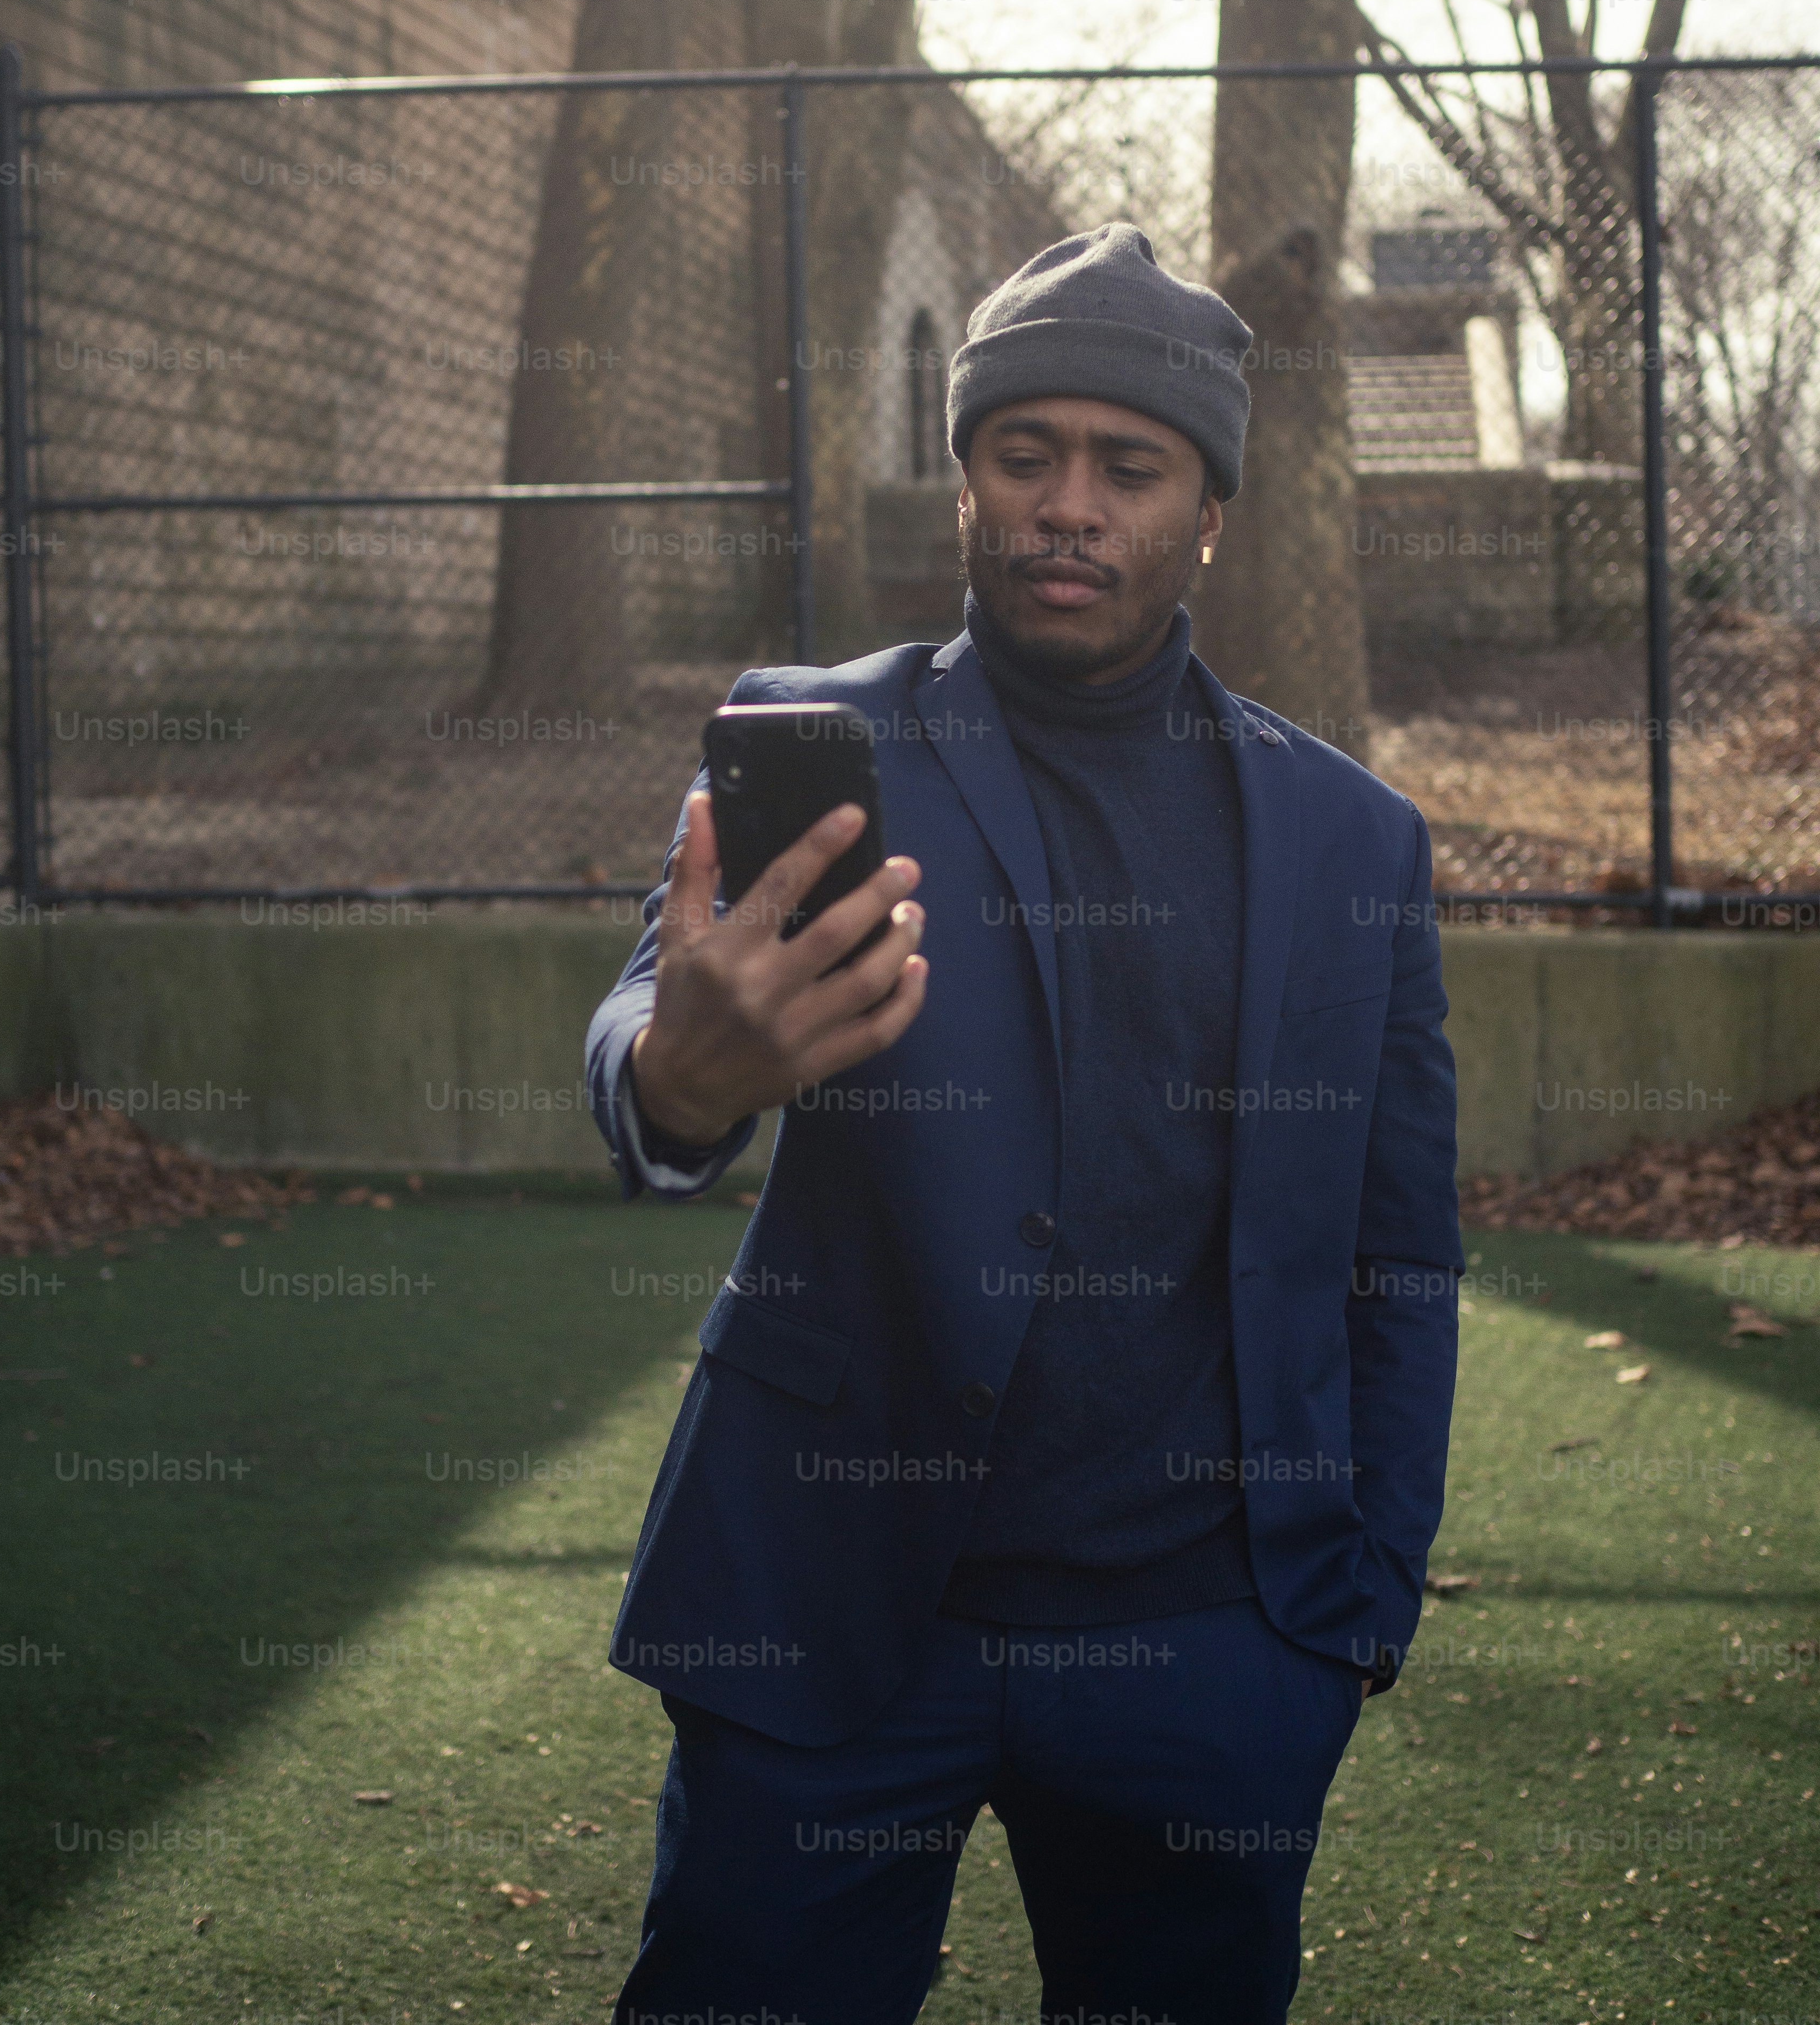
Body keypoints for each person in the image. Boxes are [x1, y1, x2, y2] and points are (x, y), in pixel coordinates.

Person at [585, 222, 1463, 2025]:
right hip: (828, 1615)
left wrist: (1356, 1610)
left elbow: (1397, 1242)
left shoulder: (1353, 839)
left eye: (1126, 468)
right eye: (1023, 455)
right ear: (968, 488)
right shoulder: (815, 743)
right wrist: (685, 1078)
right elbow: (640, 1036)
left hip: (1211, 1645)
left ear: (1205, 509)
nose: (1070, 504)